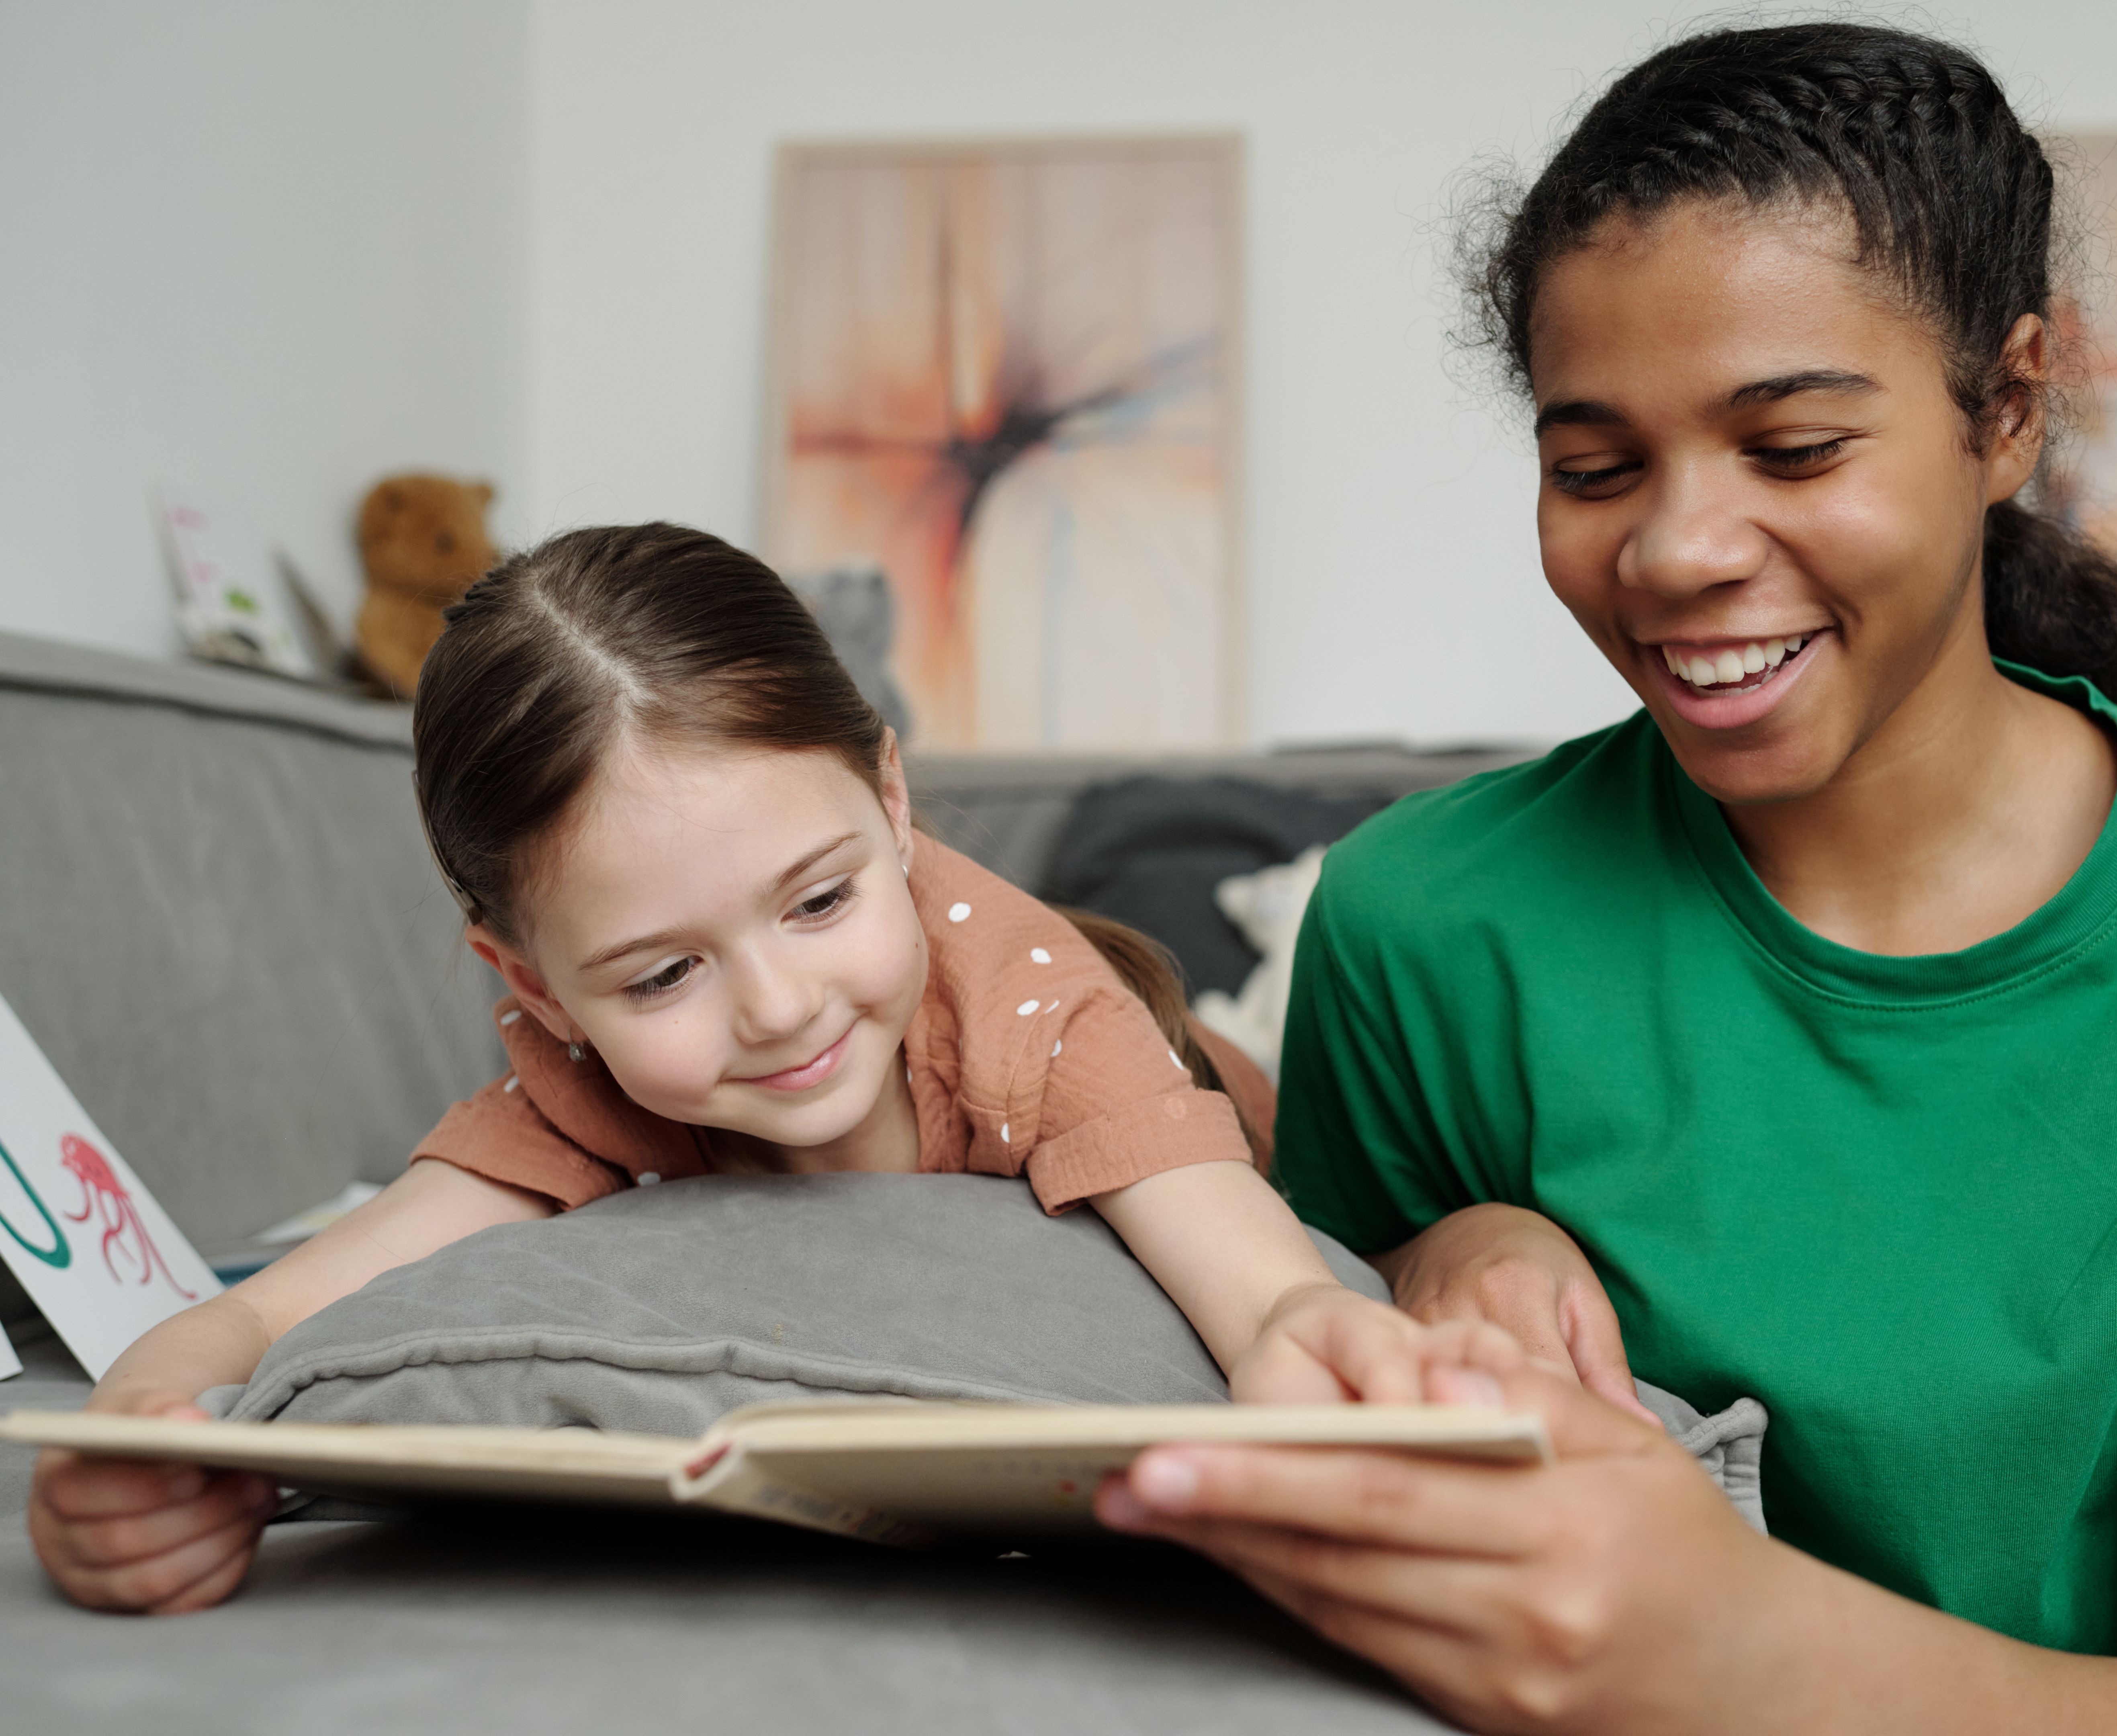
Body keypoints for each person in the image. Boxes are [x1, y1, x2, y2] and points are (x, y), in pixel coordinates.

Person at [1095, 22, 2117, 1734]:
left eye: (1795, 449)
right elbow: (1339, 1405)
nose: (1675, 550)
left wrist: (1727, 1637)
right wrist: (1454, 1245)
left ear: (2009, 409)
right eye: (1593, 468)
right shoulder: (1422, 927)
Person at [31, 522, 1484, 1615]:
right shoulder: (578, 1089)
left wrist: (1320, 1345)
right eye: (662, 975)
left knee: (1210, 943)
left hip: (1174, 1046)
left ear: (895, 800)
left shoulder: (1046, 1023)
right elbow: (261, 1314)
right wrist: (134, 1438)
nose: (781, 1010)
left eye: (820, 899)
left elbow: (1270, 1293)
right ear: (535, 987)